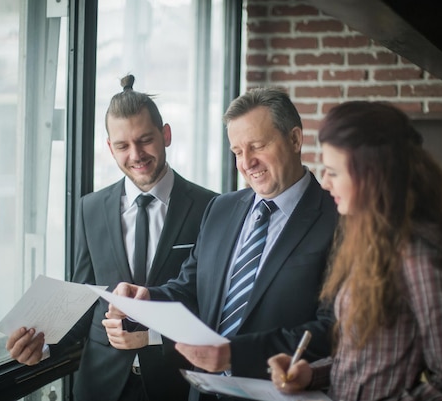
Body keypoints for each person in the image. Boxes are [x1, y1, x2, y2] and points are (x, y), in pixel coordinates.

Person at [104, 87, 339, 401]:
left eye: (257, 146)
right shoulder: (221, 209)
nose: (247, 163)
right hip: (204, 393)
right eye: (237, 151)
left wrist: (235, 355)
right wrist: (146, 300)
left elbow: (333, 328)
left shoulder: (338, 220)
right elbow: (191, 289)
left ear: (295, 139)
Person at [5, 74, 218, 401]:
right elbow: (85, 297)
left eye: (145, 139)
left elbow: (211, 305)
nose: (136, 154)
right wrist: (42, 343)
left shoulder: (211, 207)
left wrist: (155, 335)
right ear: (109, 148)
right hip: (100, 386)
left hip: (176, 384)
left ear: (166, 134)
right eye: (122, 145)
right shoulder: (90, 208)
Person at [267, 101, 442, 401]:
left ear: (374, 174)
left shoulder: (417, 256)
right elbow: (366, 360)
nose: (324, 183)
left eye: (333, 172)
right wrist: (312, 374)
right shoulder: (368, 237)